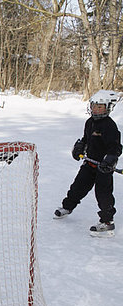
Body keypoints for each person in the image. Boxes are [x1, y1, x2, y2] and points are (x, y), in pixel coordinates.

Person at [54, 90, 122, 237]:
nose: (96, 109)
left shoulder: (109, 126)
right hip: (89, 164)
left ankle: (107, 222)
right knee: (77, 187)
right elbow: (86, 139)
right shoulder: (90, 122)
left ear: (108, 107)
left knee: (103, 194)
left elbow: (115, 147)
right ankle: (67, 207)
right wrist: (80, 146)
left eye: (100, 107)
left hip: (103, 167)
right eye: (94, 106)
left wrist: (110, 159)